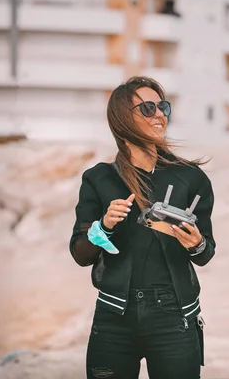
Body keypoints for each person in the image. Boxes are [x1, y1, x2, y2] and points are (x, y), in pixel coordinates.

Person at [69, 76, 217, 379]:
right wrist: (104, 226)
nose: (160, 114)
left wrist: (195, 242)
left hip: (176, 317)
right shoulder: (99, 179)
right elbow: (81, 253)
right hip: (113, 317)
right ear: (123, 118)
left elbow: (205, 254)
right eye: (148, 108)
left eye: (163, 107)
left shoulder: (191, 178)